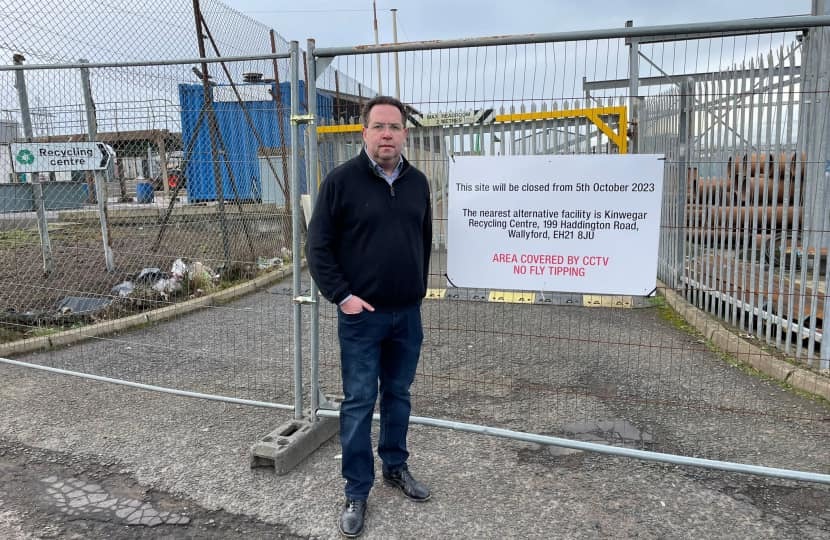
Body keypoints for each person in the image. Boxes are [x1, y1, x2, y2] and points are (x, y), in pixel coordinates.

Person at [306, 95, 433, 538]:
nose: (386, 134)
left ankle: (395, 467)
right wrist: (342, 297)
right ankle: (356, 490)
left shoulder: (418, 183)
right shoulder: (341, 182)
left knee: (398, 395)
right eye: (378, 126)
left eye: (394, 127)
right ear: (364, 133)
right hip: (362, 318)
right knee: (359, 402)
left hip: (406, 316)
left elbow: (424, 240)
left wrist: (417, 290)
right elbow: (317, 247)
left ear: (404, 133)